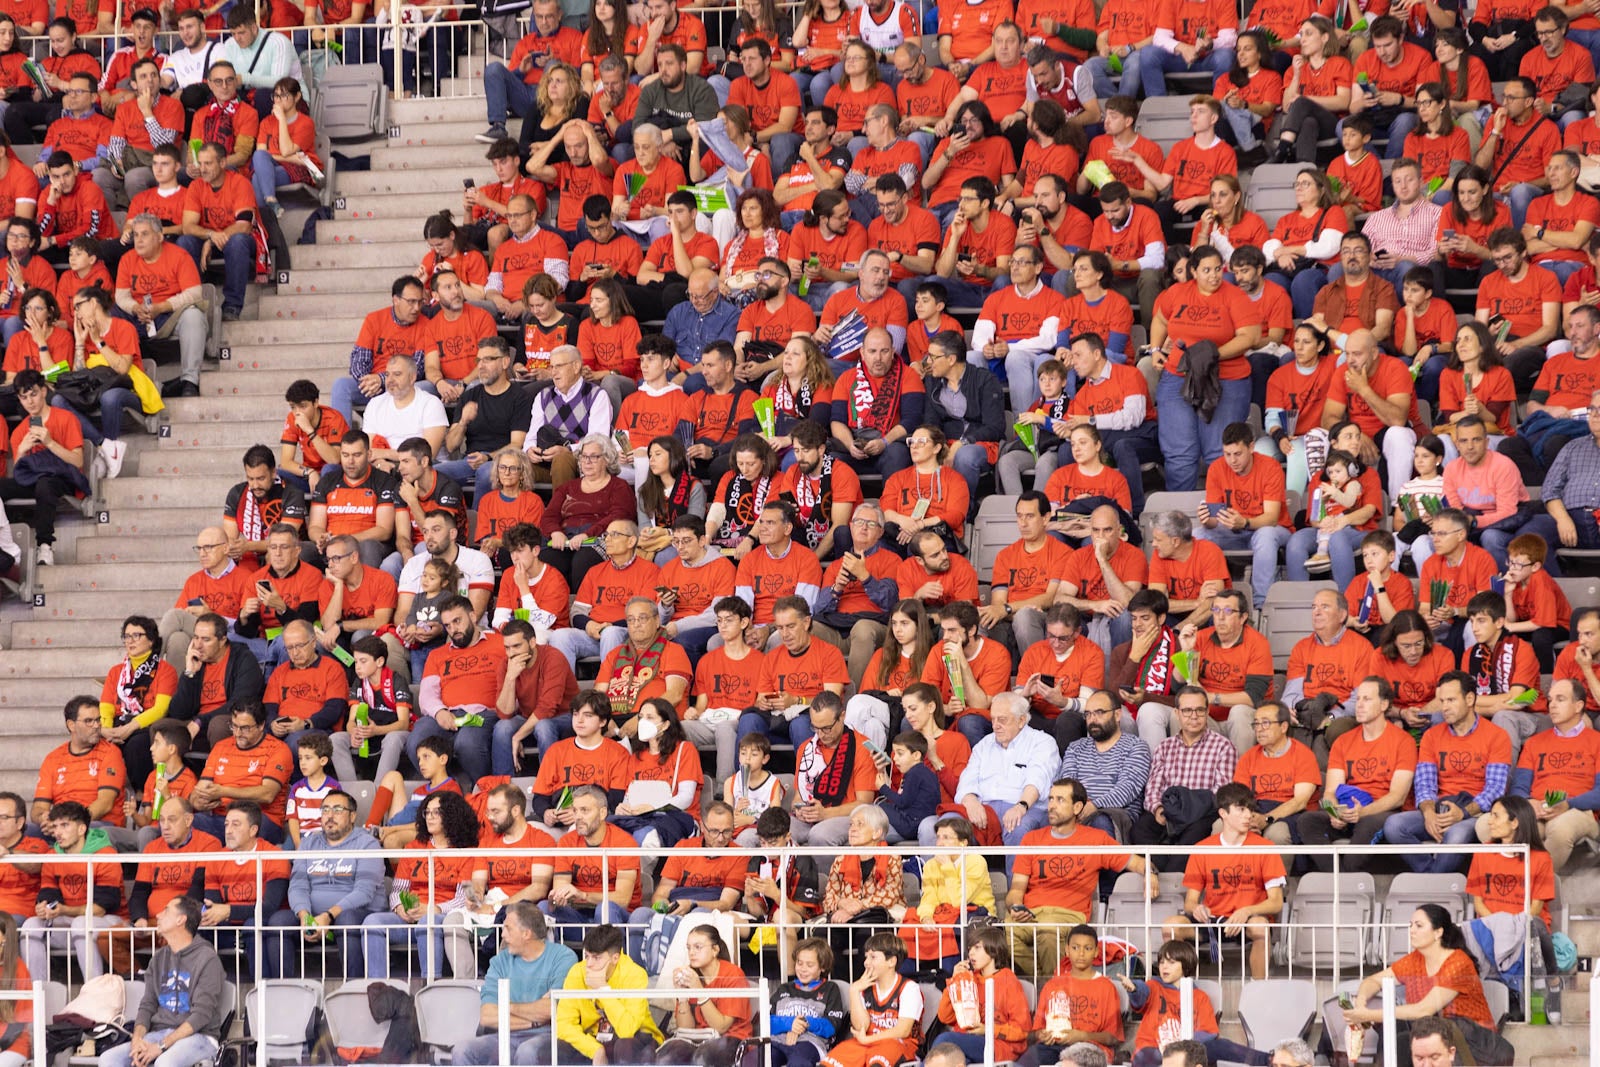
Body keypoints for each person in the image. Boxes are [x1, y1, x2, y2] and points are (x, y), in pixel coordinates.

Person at [1008, 777, 1151, 981]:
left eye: (1060, 800)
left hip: (1068, 914)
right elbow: (1016, 889)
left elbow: (1139, 862)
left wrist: (1150, 873)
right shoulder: (1032, 839)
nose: (1051, 806)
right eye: (1050, 799)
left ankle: (1051, 989)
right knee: (1002, 935)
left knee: (1048, 931)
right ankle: (1051, 982)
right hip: (1031, 913)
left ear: (1077, 807)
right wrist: (1015, 906)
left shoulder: (1095, 839)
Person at [1381, 670, 1511, 870]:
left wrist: (1463, 813)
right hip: (1440, 807)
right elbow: (1425, 784)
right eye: (1442, 701)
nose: (1444, 708)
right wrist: (1429, 812)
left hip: (1474, 812)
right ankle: (1434, 880)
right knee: (1393, 825)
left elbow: (1495, 790)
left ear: (1469, 699)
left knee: (1456, 835)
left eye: (1451, 700)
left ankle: (1430, 888)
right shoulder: (1431, 736)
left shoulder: (1497, 736)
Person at [1339, 905, 1498, 1058]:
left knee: (1402, 1041)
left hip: (1473, 1041)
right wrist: (1361, 1002)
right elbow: (1373, 981)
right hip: (1434, 1034)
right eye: (1411, 925)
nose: (1412, 930)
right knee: (1394, 1028)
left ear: (1438, 932)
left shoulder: (1458, 962)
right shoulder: (1415, 959)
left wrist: (1368, 1015)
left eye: (1419, 926)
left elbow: (1424, 1010)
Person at [361, 789, 480, 981]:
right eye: (427, 812)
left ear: (452, 815)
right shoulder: (413, 847)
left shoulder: (466, 852)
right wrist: (400, 907)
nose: (430, 817)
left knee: (427, 922)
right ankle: (378, 986)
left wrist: (433, 909)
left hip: (442, 917)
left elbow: (463, 898)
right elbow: (398, 889)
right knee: (372, 922)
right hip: (410, 917)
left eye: (436, 812)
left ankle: (430, 983)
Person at [266, 788, 383, 978]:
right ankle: (283, 992)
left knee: (347, 921)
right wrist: (305, 916)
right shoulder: (308, 843)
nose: (330, 816)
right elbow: (298, 886)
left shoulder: (367, 844)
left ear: (352, 816)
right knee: (278, 922)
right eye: (325, 810)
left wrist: (328, 916)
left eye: (337, 810)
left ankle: (354, 988)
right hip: (313, 916)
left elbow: (364, 891)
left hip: (352, 913)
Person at [95, 898, 226, 1067]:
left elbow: (201, 1016)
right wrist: (137, 1040)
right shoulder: (158, 958)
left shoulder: (207, 959)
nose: (158, 915)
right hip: (159, 1034)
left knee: (165, 1062)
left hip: (200, 1037)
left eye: (166, 910)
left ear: (181, 919)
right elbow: (147, 1005)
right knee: (109, 1059)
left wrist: (161, 1046)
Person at [1487, 678, 1600, 870]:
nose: (1552, 705)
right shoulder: (1535, 742)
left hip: (1579, 811)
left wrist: (1567, 804)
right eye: (1550, 699)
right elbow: (1519, 787)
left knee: (1560, 828)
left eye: (1560, 699)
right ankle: (1515, 884)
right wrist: (1529, 802)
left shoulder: (1596, 741)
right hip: (1538, 809)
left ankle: (1531, 886)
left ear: (1578, 706)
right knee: (1487, 824)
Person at [451, 903, 578, 1067]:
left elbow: (551, 1010)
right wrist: (535, 1020)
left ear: (526, 934)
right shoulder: (499, 961)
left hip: (550, 1035)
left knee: (527, 1051)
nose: (502, 935)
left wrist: (506, 1006)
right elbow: (487, 1017)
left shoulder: (563, 957)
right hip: (505, 1035)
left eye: (508, 929)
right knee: (462, 1050)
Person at [20, 800, 122, 983]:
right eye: (55, 826)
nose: (58, 832)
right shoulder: (52, 856)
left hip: (109, 923)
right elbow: (48, 892)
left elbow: (101, 908)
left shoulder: (104, 853)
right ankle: (38, 996)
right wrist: (44, 908)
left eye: (65, 825)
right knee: (30, 926)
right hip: (71, 923)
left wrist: (64, 910)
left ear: (82, 829)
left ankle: (94, 990)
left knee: (81, 924)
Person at [0, 369, 86, 566]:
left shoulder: (66, 418)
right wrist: (21, 453)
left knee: (45, 484)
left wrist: (50, 443)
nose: (30, 402)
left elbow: (78, 462)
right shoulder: (20, 431)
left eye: (34, 394)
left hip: (64, 477)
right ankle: (3, 546)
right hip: (34, 479)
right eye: (24, 397)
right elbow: (20, 476)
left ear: (44, 392)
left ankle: (45, 546)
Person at [553, 923, 662, 1064]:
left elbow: (627, 1030)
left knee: (624, 1046)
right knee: (558, 1049)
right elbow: (563, 1025)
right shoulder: (577, 972)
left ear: (615, 958)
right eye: (586, 956)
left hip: (636, 1038)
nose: (589, 964)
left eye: (596, 958)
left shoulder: (634, 974)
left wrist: (603, 990)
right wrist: (594, 1049)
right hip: (594, 1037)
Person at [931, 926, 1031, 1063]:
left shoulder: (1009, 981)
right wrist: (954, 981)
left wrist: (987, 1030)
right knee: (954, 1061)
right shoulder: (969, 978)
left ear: (993, 950)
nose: (971, 953)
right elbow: (945, 1017)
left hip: (998, 1045)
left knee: (944, 1042)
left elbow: (1022, 1030)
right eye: (970, 948)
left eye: (977, 948)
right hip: (967, 1041)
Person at [822, 933, 923, 1067]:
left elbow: (902, 1030)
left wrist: (868, 1039)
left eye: (873, 957)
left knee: (877, 1063)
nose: (866, 962)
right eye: (866, 957)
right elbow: (861, 1026)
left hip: (899, 1044)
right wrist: (854, 991)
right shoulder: (864, 988)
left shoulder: (909, 988)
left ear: (891, 961)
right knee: (829, 1063)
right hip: (866, 1043)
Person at [34, 695, 126, 830]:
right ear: (71, 725)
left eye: (98, 720)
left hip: (98, 824)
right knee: (29, 830)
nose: (96, 726)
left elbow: (105, 803)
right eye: (89, 721)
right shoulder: (53, 758)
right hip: (61, 825)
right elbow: (38, 807)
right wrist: (43, 818)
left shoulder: (110, 753)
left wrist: (71, 824)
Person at [766, 938, 846, 1067]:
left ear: (823, 967)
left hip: (810, 1044)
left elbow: (832, 1027)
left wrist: (803, 1024)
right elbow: (765, 1022)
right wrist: (790, 1024)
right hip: (777, 1041)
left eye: (809, 965)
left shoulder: (831, 989)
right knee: (756, 1059)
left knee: (799, 1062)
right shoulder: (783, 989)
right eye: (799, 963)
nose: (803, 969)